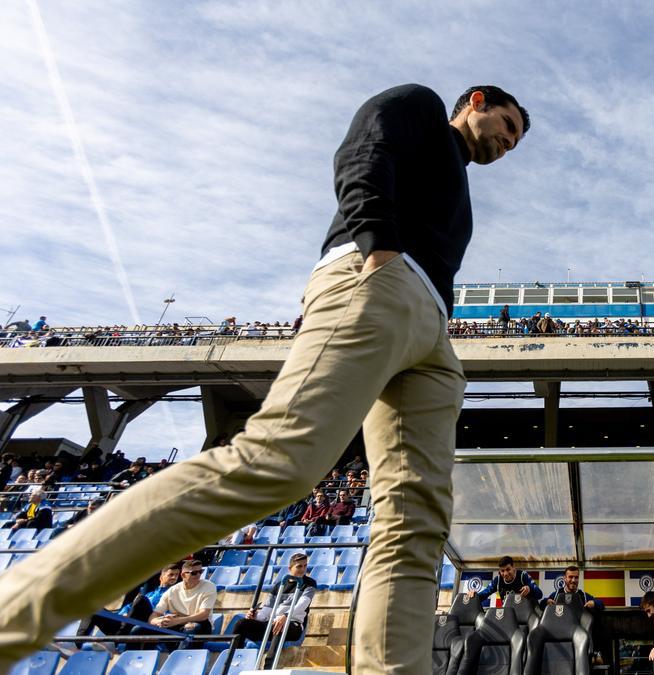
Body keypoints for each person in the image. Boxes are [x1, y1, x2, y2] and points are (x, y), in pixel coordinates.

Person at [0, 83, 529, 674]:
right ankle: (13, 616)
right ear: (476, 101)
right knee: (279, 460)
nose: (509, 143)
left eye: (515, 141)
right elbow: (363, 151)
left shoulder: (457, 184)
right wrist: (377, 247)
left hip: (432, 332)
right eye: (507, 126)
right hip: (376, 279)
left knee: (416, 522)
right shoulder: (424, 108)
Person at [76, 564, 182, 643]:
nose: (174, 578)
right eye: (171, 574)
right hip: (125, 622)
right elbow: (129, 606)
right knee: (94, 609)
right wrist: (123, 613)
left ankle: (119, 639)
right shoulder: (150, 593)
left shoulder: (174, 594)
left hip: (145, 623)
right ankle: (77, 644)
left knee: (141, 600)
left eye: (176, 575)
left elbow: (170, 612)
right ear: (161, 577)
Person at [234, 553, 317, 648]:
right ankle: (232, 658)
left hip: (293, 625)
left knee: (280, 626)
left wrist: (285, 616)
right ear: (290, 568)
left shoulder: (310, 583)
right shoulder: (279, 586)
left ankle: (269, 662)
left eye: (305, 565)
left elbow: (302, 605)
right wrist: (255, 616)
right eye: (299, 566)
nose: (303, 569)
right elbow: (266, 613)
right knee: (241, 624)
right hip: (273, 623)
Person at [140, 560, 216, 650]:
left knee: (192, 627)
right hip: (177, 625)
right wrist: (158, 621)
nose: (199, 575)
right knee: (139, 630)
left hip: (201, 624)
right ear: (183, 575)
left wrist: (177, 620)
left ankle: (179, 660)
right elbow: (154, 616)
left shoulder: (209, 586)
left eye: (201, 572)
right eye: (194, 573)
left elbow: (203, 615)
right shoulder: (172, 591)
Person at [471, 556, 543, 604]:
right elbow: (485, 593)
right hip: (509, 614)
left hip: (526, 613)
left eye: (508, 569)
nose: (505, 573)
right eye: (502, 571)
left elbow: (539, 594)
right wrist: (474, 595)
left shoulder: (522, 576)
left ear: (514, 568)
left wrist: (529, 589)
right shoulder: (498, 580)